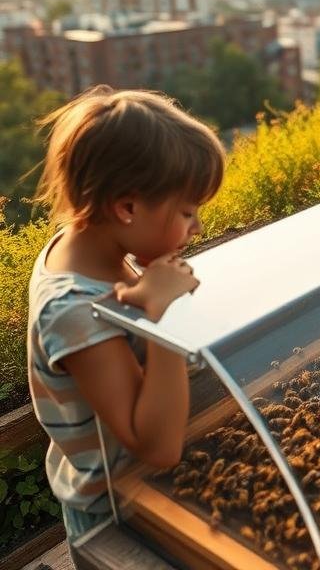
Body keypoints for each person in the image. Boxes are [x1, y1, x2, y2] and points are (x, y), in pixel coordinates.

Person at [27, 87, 225, 548]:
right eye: (188, 212)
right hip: (117, 517)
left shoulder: (100, 244)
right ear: (128, 207)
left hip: (153, 490)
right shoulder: (74, 312)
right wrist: (163, 318)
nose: (197, 228)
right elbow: (156, 447)